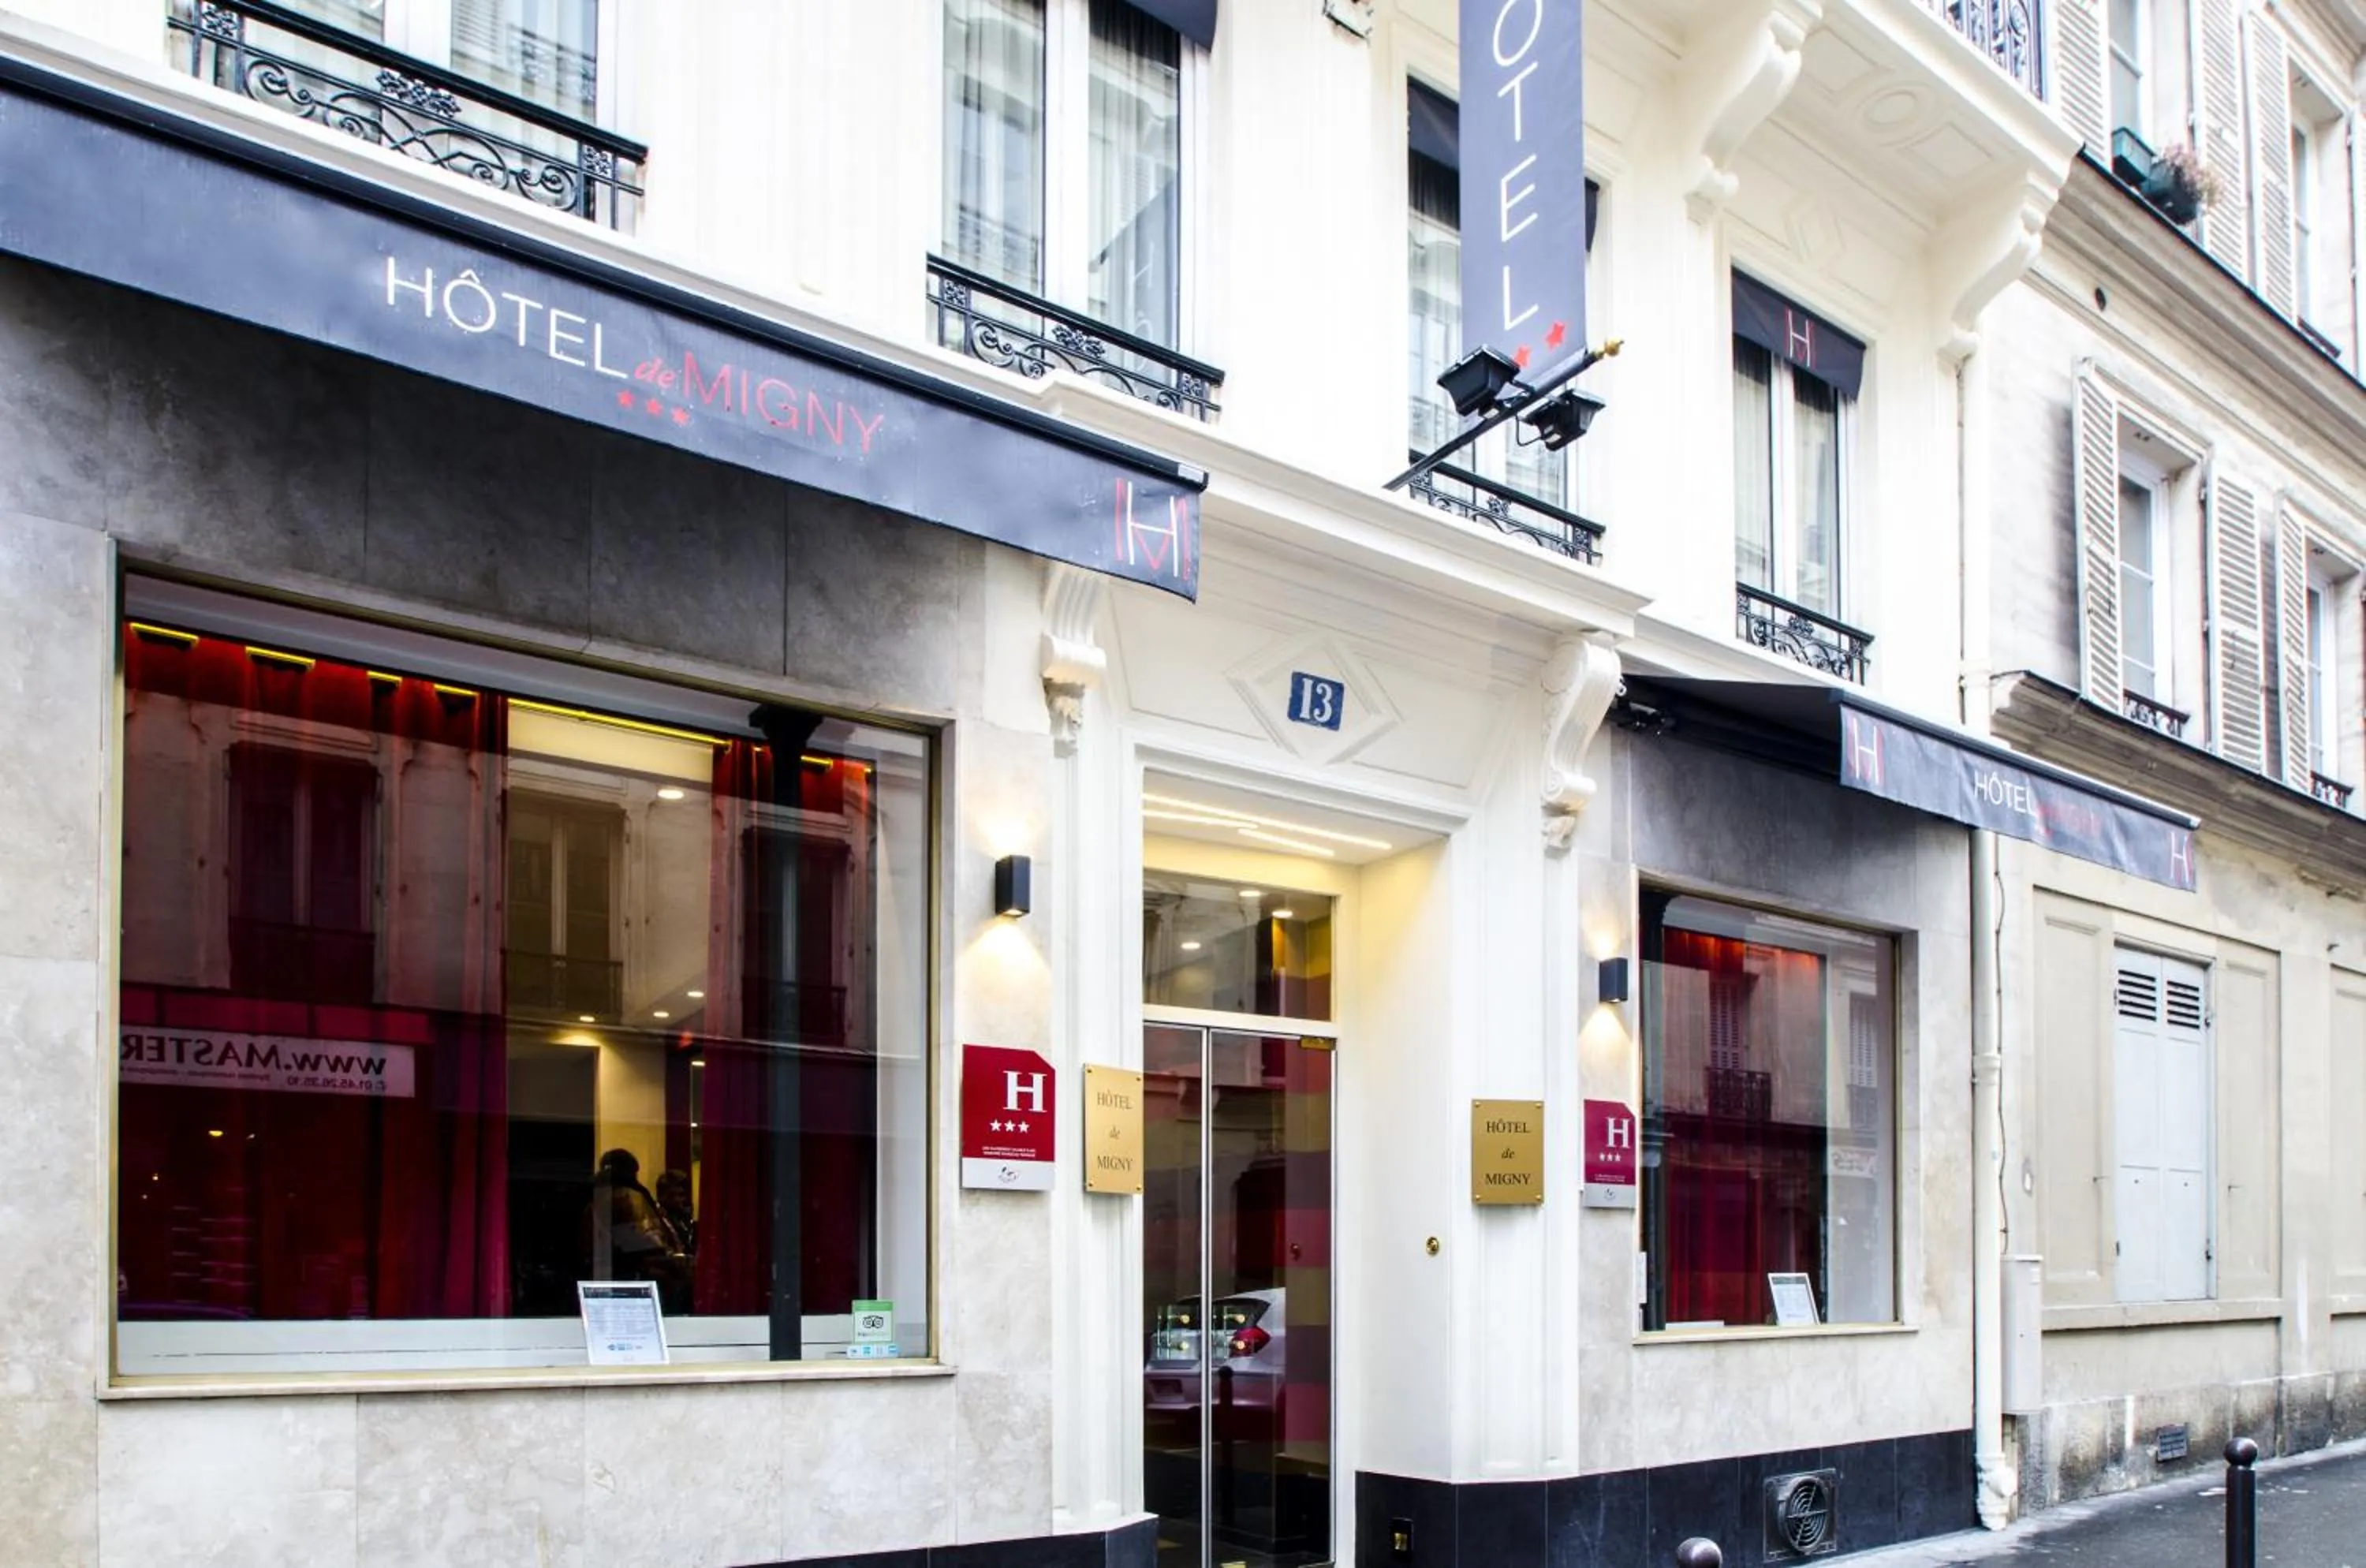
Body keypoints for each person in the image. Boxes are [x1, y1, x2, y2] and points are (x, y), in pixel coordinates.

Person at [583, 1149, 690, 1310]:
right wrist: (672, 1258)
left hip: (601, 1277)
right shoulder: (626, 1197)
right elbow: (646, 1242)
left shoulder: (595, 1197)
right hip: (635, 1279)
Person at [654, 1168, 696, 1256]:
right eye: (672, 1195)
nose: (677, 1200)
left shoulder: (683, 1217)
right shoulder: (654, 1218)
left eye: (681, 1195)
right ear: (660, 1195)